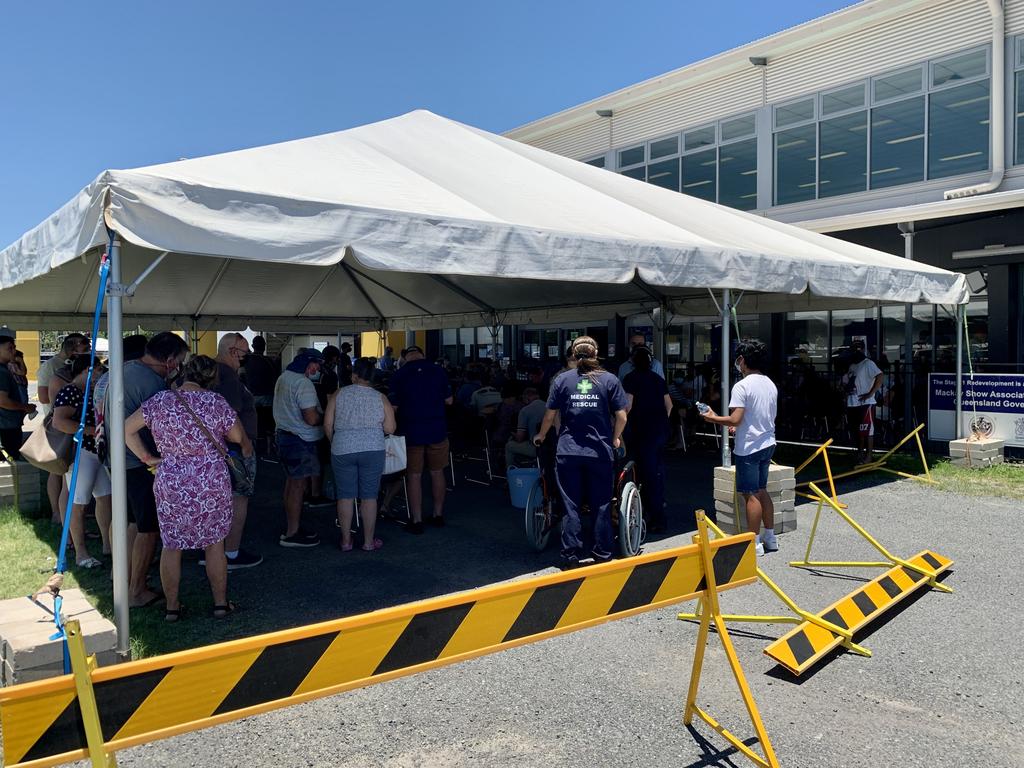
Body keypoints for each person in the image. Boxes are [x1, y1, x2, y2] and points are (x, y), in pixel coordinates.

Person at [126, 355, 250, 621]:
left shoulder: (161, 401)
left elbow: (127, 429)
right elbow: (238, 437)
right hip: (211, 480)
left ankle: (172, 607)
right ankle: (220, 604)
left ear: (184, 373)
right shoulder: (216, 402)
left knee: (172, 544)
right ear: (212, 378)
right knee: (215, 544)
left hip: (172, 478)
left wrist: (147, 458)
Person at [111, 331, 190, 608]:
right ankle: (136, 590)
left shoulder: (124, 370)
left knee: (132, 523)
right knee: (149, 528)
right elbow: (156, 429)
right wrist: (150, 457)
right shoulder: (152, 385)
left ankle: (126, 580)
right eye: (179, 361)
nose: (179, 367)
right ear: (169, 360)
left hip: (119, 461)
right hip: (139, 464)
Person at [534, 336, 628, 568]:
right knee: (602, 503)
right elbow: (622, 416)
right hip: (599, 452)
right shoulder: (609, 380)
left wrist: (541, 436)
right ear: (596, 353)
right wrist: (615, 438)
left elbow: (549, 415)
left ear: (573, 355)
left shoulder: (562, 380)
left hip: (568, 451)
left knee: (571, 503)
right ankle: (603, 552)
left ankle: (570, 554)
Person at [701, 340, 778, 557]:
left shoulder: (742, 386)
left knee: (750, 494)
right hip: (768, 442)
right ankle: (770, 537)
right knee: (762, 490)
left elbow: (735, 419)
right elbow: (758, 416)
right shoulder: (769, 383)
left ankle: (754, 543)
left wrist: (713, 418)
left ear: (742, 360)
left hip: (749, 448)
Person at [325, 357, 396, 551]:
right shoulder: (380, 397)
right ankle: (368, 542)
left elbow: (328, 425)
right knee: (369, 497)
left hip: (342, 449)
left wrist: (336, 442)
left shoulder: (339, 394)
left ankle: (346, 541)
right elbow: (390, 428)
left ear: (354, 376)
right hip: (373, 449)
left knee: (345, 496)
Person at [51, 355, 110, 567]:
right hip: (80, 453)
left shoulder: (87, 391)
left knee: (105, 497)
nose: (99, 375)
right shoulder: (70, 391)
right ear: (87, 370)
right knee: (78, 504)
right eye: (97, 371)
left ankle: (107, 545)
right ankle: (81, 554)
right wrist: (94, 431)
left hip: (94, 451)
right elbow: (60, 422)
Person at [389, 345, 453, 533]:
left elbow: (393, 407)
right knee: (437, 472)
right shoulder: (439, 371)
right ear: (422, 355)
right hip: (437, 429)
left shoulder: (399, 375)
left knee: (414, 476)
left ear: (405, 357)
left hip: (411, 432)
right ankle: (438, 514)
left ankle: (416, 520)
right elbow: (449, 400)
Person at [212, 333, 262, 569]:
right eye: (244, 353)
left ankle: (213, 552)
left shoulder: (213, 373)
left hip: (219, 450)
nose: (246, 358)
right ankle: (230, 553)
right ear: (232, 352)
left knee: (220, 501)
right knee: (238, 498)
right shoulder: (228, 378)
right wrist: (245, 444)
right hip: (233, 451)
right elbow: (229, 416)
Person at [273, 348, 325, 547]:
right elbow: (311, 418)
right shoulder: (303, 384)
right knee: (298, 487)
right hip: (301, 440)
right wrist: (326, 416)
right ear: (308, 363)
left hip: (285, 436)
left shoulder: (284, 377)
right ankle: (292, 533)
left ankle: (292, 526)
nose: (317, 369)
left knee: (291, 484)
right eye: (316, 364)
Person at [39, 333, 90, 523]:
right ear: (74, 348)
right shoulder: (52, 368)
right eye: (85, 348)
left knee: (68, 478)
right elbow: (45, 398)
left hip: (73, 426)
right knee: (58, 470)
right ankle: (57, 514)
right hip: (62, 429)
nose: (88, 352)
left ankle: (70, 518)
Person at [622, 346, 673, 533]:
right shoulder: (658, 379)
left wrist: (619, 429)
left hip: (640, 432)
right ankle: (657, 512)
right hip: (659, 432)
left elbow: (627, 406)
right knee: (657, 473)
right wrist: (661, 421)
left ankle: (651, 516)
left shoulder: (630, 379)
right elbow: (669, 405)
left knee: (643, 474)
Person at [844, 340, 884, 465]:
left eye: (859, 348)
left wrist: (871, 393)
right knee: (858, 431)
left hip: (866, 403)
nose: (857, 350)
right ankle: (860, 453)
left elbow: (880, 375)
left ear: (863, 349)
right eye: (854, 347)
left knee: (867, 430)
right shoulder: (852, 365)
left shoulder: (868, 363)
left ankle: (869, 456)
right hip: (853, 402)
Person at [0, 332, 36, 459]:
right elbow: (3, 401)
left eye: (14, 347)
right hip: (7, 425)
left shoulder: (5, 369)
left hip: (7, 423)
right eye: (10, 348)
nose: (13, 351)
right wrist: (24, 407)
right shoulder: (2, 372)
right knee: (11, 459)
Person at [505, 387, 546, 468]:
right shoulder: (551, 406)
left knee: (509, 445)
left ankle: (511, 473)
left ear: (526, 398)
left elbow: (520, 438)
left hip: (536, 449)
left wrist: (512, 433)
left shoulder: (525, 410)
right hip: (552, 447)